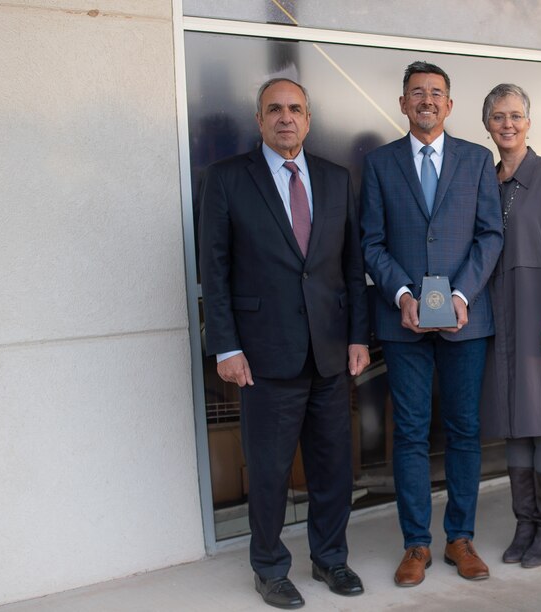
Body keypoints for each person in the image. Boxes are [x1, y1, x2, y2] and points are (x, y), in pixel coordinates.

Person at [198, 78, 370, 609]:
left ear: (309, 119)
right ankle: (270, 567)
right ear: (259, 120)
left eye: (295, 108)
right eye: (274, 109)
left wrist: (359, 336)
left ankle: (330, 558)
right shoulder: (225, 179)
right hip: (263, 354)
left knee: (332, 466)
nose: (286, 118)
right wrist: (226, 347)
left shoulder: (337, 179)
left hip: (329, 350)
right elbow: (215, 269)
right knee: (270, 470)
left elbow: (351, 266)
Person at [360, 61, 503, 586]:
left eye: (436, 93)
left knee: (466, 431)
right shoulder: (378, 164)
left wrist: (463, 293)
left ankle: (460, 539)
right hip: (404, 323)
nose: (426, 100)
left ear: (449, 103)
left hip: (465, 320)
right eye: (416, 93)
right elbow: (370, 241)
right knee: (412, 434)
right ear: (402, 103)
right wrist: (402, 294)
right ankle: (416, 544)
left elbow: (491, 235)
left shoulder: (476, 159)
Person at [478, 83, 541, 568]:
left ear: (529, 121)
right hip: (499, 316)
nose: (508, 124)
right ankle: (524, 523)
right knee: (513, 423)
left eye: (516, 115)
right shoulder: (484, 179)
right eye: (498, 116)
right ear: (486, 124)